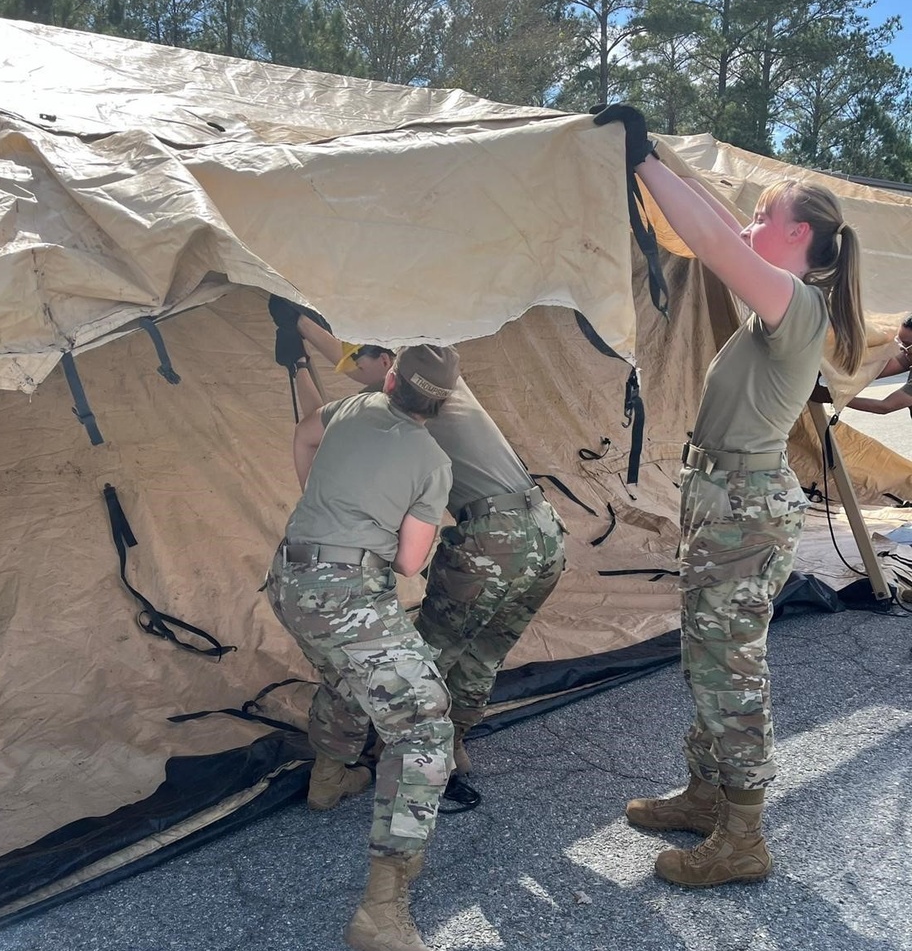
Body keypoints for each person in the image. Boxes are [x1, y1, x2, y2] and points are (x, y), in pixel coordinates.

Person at [592, 103, 866, 888]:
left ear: (801, 240)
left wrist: (641, 162)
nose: (750, 220)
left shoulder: (794, 304)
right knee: (708, 654)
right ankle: (709, 792)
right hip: (725, 498)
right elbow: (720, 227)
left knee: (732, 665)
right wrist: (659, 164)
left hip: (742, 504)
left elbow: (713, 244)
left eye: (764, 214)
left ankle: (743, 834)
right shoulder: (776, 303)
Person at [282, 310, 567, 781]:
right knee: (484, 651)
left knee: (421, 655)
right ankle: (453, 744)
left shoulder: (399, 404)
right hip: (544, 529)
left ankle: (394, 760)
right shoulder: (446, 382)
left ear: (392, 369)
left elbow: (344, 386)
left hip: (491, 537)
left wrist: (304, 330)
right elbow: (361, 367)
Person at [265, 341, 460, 951]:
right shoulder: (432, 460)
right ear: (443, 401)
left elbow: (303, 435)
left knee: (351, 671)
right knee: (425, 724)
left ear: (393, 377)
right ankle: (383, 910)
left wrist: (320, 511)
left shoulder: (349, 408)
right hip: (346, 592)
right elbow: (408, 563)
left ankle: (329, 777)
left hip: (290, 578)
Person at [845, 316, 912, 415]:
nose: (902, 349)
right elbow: (877, 371)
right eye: (901, 343)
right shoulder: (909, 355)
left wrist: (835, 398)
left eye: (907, 344)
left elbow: (885, 406)